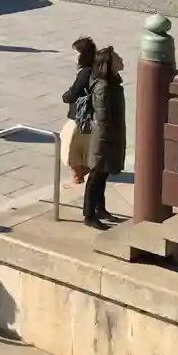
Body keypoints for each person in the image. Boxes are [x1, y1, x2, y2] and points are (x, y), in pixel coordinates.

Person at [83, 46, 127, 230]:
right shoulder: (104, 87)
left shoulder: (112, 82)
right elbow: (102, 118)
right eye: (117, 57)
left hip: (109, 136)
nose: (121, 59)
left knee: (103, 174)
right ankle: (89, 215)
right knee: (96, 176)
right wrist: (109, 139)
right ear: (108, 63)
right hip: (103, 138)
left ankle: (100, 209)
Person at [60, 37, 96, 184]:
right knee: (85, 145)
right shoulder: (96, 69)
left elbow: (73, 93)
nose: (75, 56)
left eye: (77, 53)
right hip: (92, 115)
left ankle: (78, 175)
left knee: (70, 144)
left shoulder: (85, 73)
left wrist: (66, 96)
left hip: (80, 116)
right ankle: (81, 173)